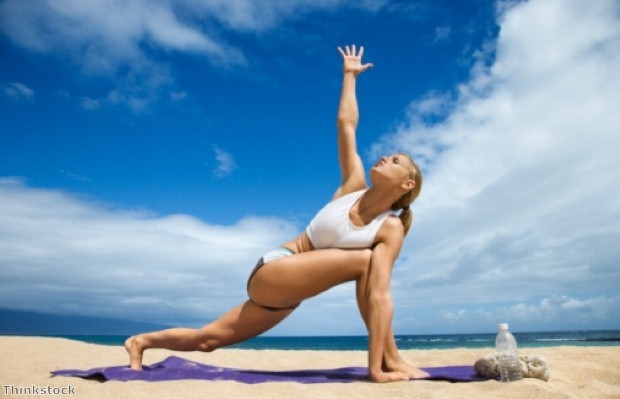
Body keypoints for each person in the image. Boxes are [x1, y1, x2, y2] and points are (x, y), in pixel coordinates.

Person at [125, 44, 426, 383]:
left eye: (396, 161)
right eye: (387, 155)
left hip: (281, 300)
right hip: (276, 267)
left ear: (406, 185)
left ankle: (140, 342)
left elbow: (380, 295)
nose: (386, 157)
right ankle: (388, 360)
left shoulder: (389, 228)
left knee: (208, 340)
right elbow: (346, 125)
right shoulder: (352, 185)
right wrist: (349, 77)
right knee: (365, 262)